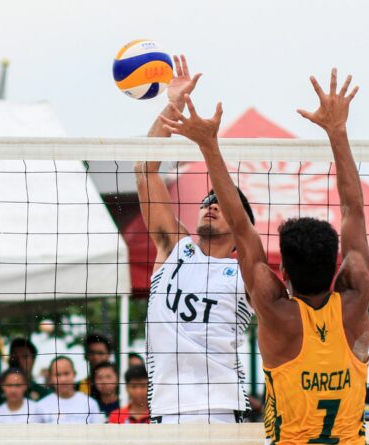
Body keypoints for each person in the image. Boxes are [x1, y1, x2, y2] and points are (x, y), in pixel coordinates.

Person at [160, 68, 369, 443]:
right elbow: (354, 210)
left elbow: (243, 229)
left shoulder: (278, 315)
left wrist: (209, 146)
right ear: (338, 266)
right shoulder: (355, 306)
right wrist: (337, 131)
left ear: (284, 272)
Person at [135, 54, 255, 424]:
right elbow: (144, 168)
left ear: (239, 224)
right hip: (165, 411)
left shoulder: (248, 272)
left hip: (220, 410)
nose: (210, 205)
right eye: (207, 200)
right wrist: (172, 105)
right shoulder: (175, 247)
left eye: (220, 204)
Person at [0, 338, 50, 413]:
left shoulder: (42, 393)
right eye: (15, 356)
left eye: (24, 357)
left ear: (33, 360)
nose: (19, 360)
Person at [38, 356, 105, 424]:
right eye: (58, 375)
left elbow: (97, 433)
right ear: (51, 378)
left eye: (66, 373)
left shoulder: (90, 403)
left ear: (74, 374)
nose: (63, 379)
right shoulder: (40, 406)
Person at [77, 332, 113, 401]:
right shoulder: (78, 387)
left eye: (100, 353)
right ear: (85, 356)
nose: (96, 357)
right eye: (92, 352)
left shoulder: (121, 385)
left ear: (109, 355)